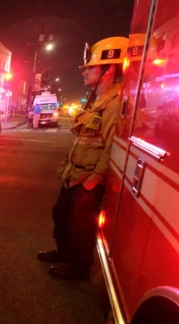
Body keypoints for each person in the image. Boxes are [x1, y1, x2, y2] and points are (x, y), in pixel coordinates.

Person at [37, 37, 128, 280]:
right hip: (74, 174)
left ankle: (79, 267)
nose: (84, 73)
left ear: (109, 69)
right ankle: (64, 252)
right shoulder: (97, 101)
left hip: (88, 178)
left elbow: (113, 146)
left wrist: (94, 179)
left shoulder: (115, 103)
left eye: (90, 68)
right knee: (61, 214)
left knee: (81, 225)